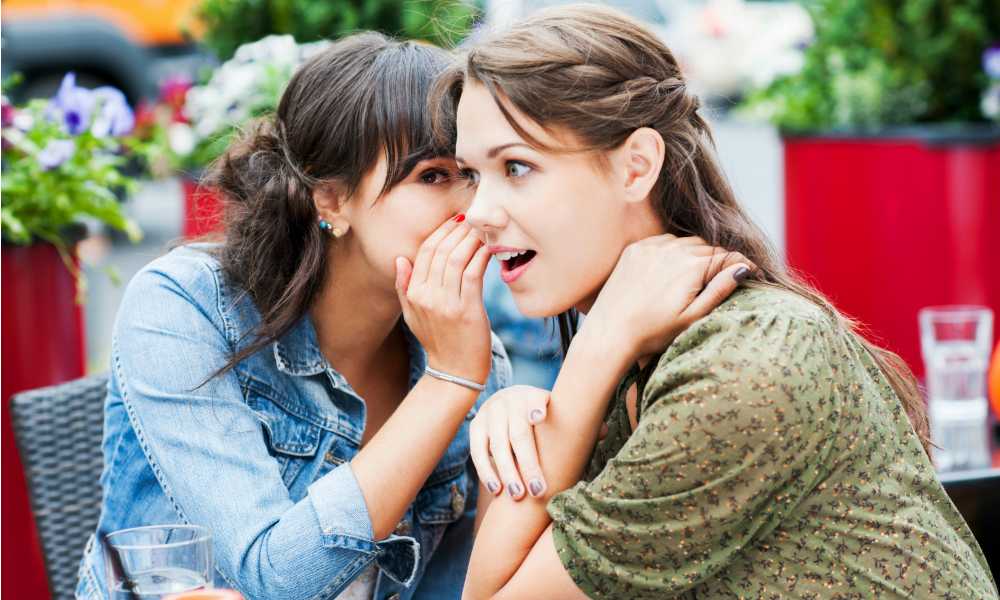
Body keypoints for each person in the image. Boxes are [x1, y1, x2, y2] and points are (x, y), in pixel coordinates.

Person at [438, 5, 999, 599]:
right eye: (473, 174)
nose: (478, 214)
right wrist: (537, 416)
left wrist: (590, 358)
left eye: (518, 167)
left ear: (636, 167)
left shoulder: (740, 368)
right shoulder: (644, 349)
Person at [76, 32, 512, 600]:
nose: (473, 209)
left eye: (475, 175)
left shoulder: (468, 356)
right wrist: (448, 382)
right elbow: (274, 580)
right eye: (433, 176)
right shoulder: (186, 307)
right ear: (329, 197)